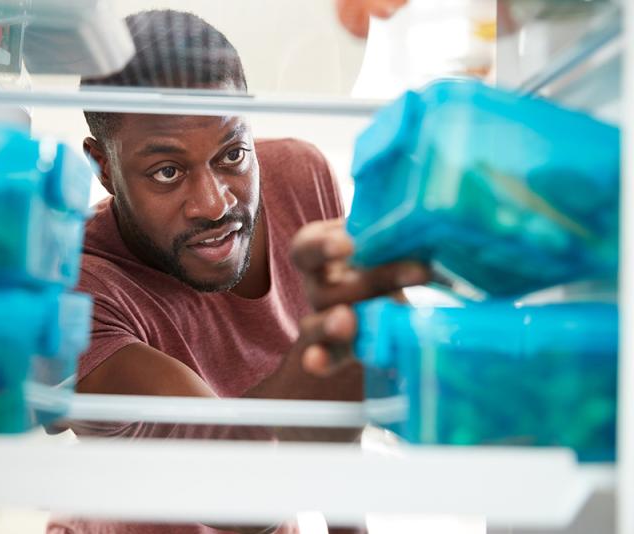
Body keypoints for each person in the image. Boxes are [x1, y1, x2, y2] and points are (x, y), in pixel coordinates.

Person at [49, 8, 426, 534]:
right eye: (167, 171)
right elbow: (238, 492)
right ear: (104, 166)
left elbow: (334, 434)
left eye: (232, 153)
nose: (213, 203)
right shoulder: (80, 289)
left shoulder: (299, 176)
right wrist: (325, 361)